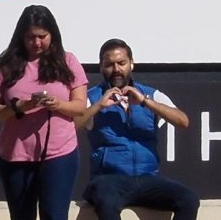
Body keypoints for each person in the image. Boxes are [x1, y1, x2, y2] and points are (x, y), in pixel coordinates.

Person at [77, 38, 200, 220]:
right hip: (108, 179)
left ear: (132, 64)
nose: (116, 69)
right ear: (101, 67)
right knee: (107, 202)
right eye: (109, 65)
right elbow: (70, 127)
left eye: (122, 63)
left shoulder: (149, 93)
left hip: (147, 178)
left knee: (189, 199)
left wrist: (145, 102)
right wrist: (99, 106)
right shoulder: (93, 97)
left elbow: (183, 121)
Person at [0, 4, 89, 220]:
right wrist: (18, 107)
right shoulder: (6, 64)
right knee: (22, 215)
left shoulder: (68, 61)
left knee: (54, 214)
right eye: (30, 37)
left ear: (53, 34)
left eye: (42, 36)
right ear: (21, 37)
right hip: (15, 155)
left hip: (58, 154)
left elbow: (79, 106)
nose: (37, 43)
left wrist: (57, 104)